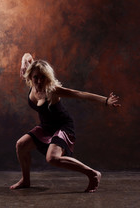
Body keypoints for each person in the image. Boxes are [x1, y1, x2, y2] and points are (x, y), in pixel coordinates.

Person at [10, 53, 121, 192]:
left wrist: (106, 100)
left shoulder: (53, 91)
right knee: (21, 145)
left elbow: (80, 94)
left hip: (63, 126)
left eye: (43, 78)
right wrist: (23, 62)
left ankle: (93, 174)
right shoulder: (33, 79)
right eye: (35, 78)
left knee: (52, 158)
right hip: (46, 127)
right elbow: (27, 55)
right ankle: (25, 180)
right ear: (30, 77)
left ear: (48, 78)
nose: (39, 81)